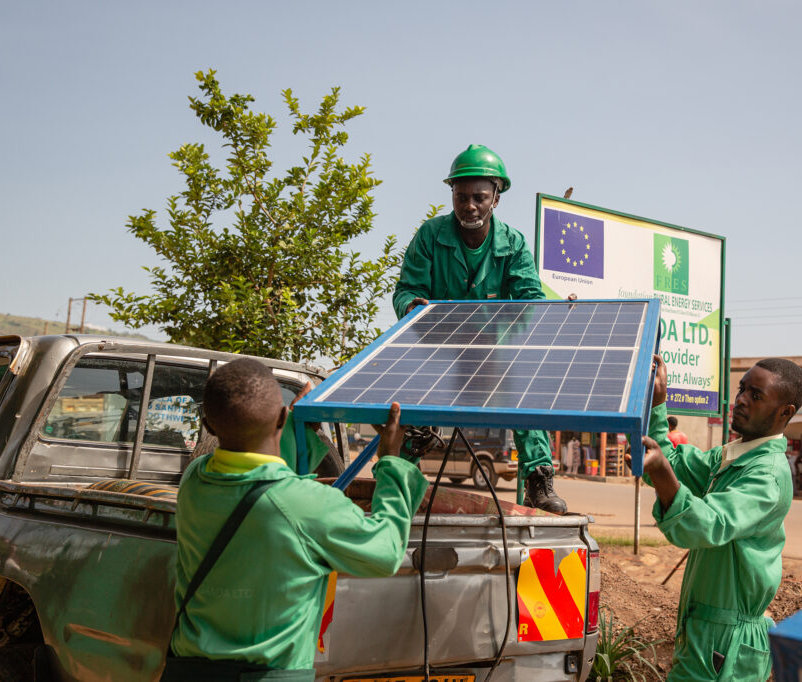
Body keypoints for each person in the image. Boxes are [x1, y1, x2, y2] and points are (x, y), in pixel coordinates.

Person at [167, 359, 427, 679]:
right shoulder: (308, 504)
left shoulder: (194, 481)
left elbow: (260, 480)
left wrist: (298, 429)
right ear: (280, 417)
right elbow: (386, 552)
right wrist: (394, 462)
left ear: (208, 426)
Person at [391, 144, 566, 513]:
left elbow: (531, 301)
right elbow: (406, 290)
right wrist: (410, 306)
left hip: (493, 352)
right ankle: (403, 477)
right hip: (437, 351)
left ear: (496, 198)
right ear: (452, 196)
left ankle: (538, 479)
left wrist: (529, 319)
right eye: (461, 197)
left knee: (525, 388)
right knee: (406, 397)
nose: (469, 205)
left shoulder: (513, 244)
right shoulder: (430, 235)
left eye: (479, 197)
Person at [635, 356, 802, 681]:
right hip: (707, 632)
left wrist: (661, 470)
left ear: (785, 412)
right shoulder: (733, 456)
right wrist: (658, 403)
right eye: (742, 389)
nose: (741, 400)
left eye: (756, 396)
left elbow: (707, 524)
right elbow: (674, 465)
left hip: (727, 643)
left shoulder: (766, 476)